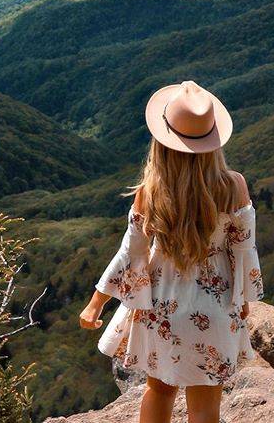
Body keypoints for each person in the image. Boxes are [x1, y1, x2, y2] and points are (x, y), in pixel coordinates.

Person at [79, 80, 264, 423]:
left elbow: (130, 255)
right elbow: (244, 252)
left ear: (162, 142)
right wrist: (244, 298)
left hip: (162, 310)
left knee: (159, 390)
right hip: (216, 308)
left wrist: (96, 302)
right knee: (205, 406)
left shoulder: (150, 192)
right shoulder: (233, 186)